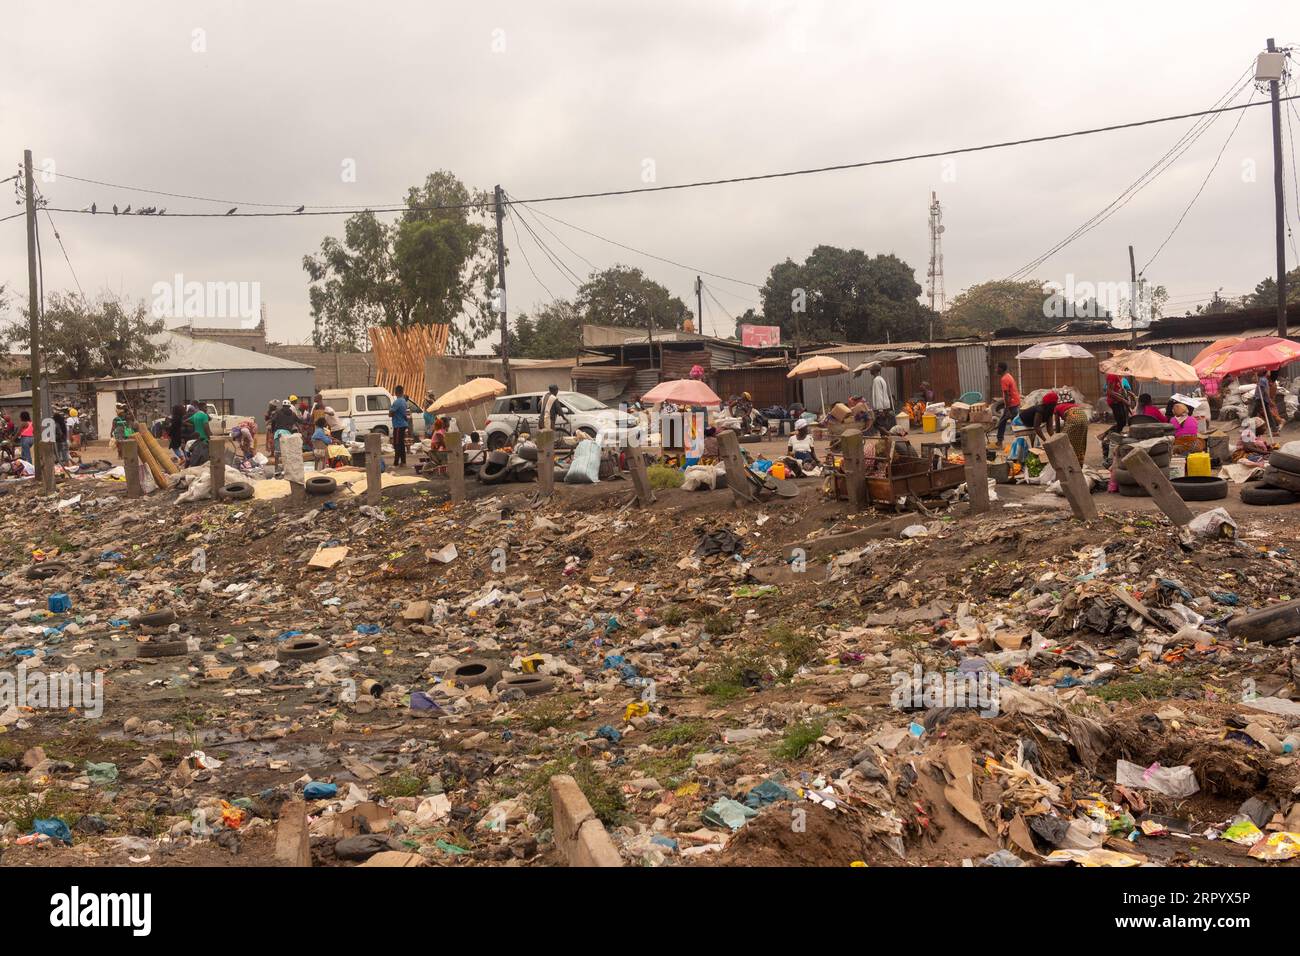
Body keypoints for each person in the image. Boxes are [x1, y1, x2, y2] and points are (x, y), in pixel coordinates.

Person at [994, 362, 1021, 447]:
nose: (996, 370)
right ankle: (1019, 440)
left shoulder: (1004, 379)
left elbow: (1007, 395)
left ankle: (1000, 441)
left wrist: (1007, 408)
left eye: (997, 368)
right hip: (1015, 402)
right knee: (1015, 423)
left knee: (1002, 422)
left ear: (1001, 369)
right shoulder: (1008, 376)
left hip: (1011, 404)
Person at [389, 384, 410, 467]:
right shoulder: (404, 401)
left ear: (396, 392)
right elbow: (405, 415)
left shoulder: (397, 402)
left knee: (397, 444)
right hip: (403, 424)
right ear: (402, 392)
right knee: (401, 444)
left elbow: (390, 414)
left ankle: (396, 462)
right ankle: (403, 462)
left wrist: (392, 413)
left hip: (398, 425)